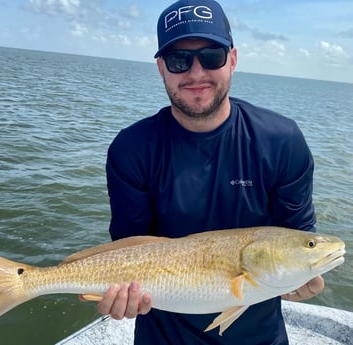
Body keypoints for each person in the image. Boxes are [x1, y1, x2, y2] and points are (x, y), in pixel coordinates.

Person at [95, 0, 324, 343]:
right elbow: (130, 251)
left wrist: (308, 277)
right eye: (179, 60)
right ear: (161, 68)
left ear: (232, 59)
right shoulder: (131, 149)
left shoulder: (280, 141)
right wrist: (120, 294)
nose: (196, 73)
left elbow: (296, 238)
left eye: (212, 56)